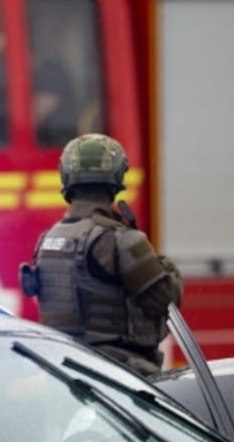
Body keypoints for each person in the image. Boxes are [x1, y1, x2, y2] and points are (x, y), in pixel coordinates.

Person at [20, 133, 182, 375]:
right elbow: (165, 301)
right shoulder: (121, 240)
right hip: (119, 376)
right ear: (116, 178)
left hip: (62, 371)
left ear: (66, 176)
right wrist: (166, 266)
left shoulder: (47, 241)